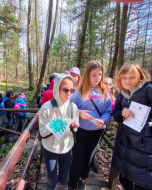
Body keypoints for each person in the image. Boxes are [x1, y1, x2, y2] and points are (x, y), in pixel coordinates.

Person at [68, 60, 112, 190]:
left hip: (96, 131)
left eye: (100, 74)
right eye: (94, 75)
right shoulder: (79, 91)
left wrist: (103, 120)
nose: (97, 78)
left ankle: (83, 180)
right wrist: (79, 112)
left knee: (89, 157)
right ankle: (72, 183)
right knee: (77, 157)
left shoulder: (104, 92)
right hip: (80, 131)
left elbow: (108, 112)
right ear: (87, 75)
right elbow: (69, 107)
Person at [111, 62, 152, 190]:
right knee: (125, 179)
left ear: (139, 76)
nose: (127, 81)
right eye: (124, 77)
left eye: (132, 77)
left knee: (142, 182)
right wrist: (121, 114)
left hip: (143, 147)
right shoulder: (121, 94)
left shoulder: (147, 89)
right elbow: (116, 115)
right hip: (125, 144)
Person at [39, 74, 79, 190]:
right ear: (57, 88)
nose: (68, 94)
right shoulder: (47, 108)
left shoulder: (73, 107)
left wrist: (74, 127)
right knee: (52, 178)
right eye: (65, 90)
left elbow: (74, 129)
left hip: (66, 148)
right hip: (50, 147)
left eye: (72, 90)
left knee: (63, 177)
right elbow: (42, 132)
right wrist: (55, 125)